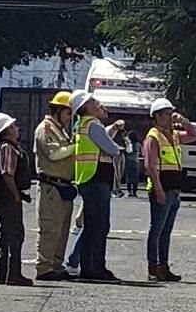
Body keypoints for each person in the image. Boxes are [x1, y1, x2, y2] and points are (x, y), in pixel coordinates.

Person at [144, 98, 196, 281]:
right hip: (162, 189)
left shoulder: (175, 135)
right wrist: (159, 190)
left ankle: (164, 265)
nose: (170, 117)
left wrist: (183, 121)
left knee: (166, 232)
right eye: (166, 114)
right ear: (157, 117)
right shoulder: (153, 137)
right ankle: (154, 266)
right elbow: (150, 166)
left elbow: (195, 134)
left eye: (170, 114)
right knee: (157, 230)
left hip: (174, 189)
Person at [70, 91, 122, 281]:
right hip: (97, 178)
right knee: (100, 225)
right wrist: (117, 147)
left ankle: (88, 266)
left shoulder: (82, 125)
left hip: (88, 177)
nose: (97, 104)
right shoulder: (93, 125)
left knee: (92, 225)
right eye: (93, 102)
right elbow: (112, 149)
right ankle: (96, 267)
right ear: (86, 107)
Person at [33, 91, 76, 281]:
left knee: (62, 230)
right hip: (51, 186)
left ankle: (56, 266)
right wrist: (76, 146)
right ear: (58, 111)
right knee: (50, 229)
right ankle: (44, 267)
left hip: (64, 185)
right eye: (68, 113)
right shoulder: (46, 129)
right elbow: (54, 154)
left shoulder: (61, 129)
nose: (69, 118)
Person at [0, 112, 33, 286]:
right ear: (6, 130)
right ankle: (11, 274)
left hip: (8, 198)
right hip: (8, 199)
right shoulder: (7, 148)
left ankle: (6, 273)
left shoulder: (9, 147)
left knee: (10, 234)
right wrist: (15, 194)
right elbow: (7, 174)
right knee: (13, 235)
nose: (17, 129)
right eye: (13, 126)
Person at [108, 120, 127, 197]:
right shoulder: (111, 130)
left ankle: (118, 188)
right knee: (116, 172)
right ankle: (115, 189)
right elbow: (110, 141)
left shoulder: (121, 132)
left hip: (122, 152)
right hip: (115, 153)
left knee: (121, 172)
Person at [125, 131, 140, 198]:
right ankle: (134, 192)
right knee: (135, 178)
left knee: (129, 177)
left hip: (128, 161)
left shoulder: (128, 144)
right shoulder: (138, 144)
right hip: (136, 162)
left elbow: (126, 152)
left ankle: (129, 192)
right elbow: (142, 152)